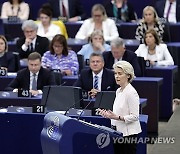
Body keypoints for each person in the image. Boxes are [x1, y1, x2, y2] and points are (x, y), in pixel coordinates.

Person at [97, 60, 141, 154]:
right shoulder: (119, 91)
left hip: (128, 135)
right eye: (115, 73)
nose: (116, 76)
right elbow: (118, 112)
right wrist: (108, 115)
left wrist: (117, 117)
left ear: (128, 75)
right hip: (117, 132)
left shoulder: (131, 92)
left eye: (120, 73)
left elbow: (135, 116)